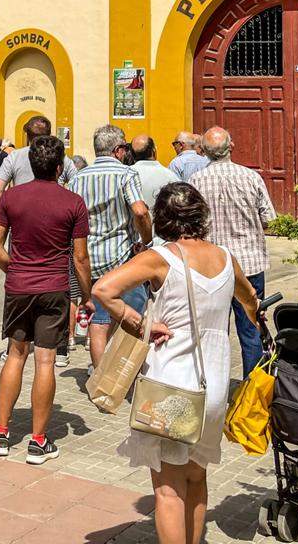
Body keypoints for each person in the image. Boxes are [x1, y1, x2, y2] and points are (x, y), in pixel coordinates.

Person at [94, 183, 260, 544]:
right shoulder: (225, 258)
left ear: (163, 218)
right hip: (212, 387)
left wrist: (141, 322)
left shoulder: (160, 258)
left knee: (169, 490)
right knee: (197, 479)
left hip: (171, 386)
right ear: (201, 215)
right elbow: (251, 303)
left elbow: (102, 290)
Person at [0, 136, 91, 463]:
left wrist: (14, 270)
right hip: (55, 287)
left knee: (15, 355)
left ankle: (1, 433)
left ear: (31, 164)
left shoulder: (11, 197)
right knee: (45, 361)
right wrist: (87, 296)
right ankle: (38, 440)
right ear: (59, 167)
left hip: (19, 286)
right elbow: (80, 258)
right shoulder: (73, 202)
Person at [190, 127, 276, 377]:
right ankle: (252, 388)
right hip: (249, 264)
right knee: (251, 329)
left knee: (213, 331)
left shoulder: (195, 181)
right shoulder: (251, 177)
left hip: (210, 267)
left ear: (204, 152)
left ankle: (212, 384)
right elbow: (269, 218)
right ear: (232, 146)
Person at [71, 125, 153, 368]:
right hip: (121, 257)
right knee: (132, 314)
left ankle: (99, 376)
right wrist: (146, 239)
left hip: (89, 257)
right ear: (118, 150)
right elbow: (139, 210)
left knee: (99, 319)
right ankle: (125, 371)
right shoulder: (126, 174)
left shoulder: (77, 178)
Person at [0, 115, 77, 201]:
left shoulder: (15, 156)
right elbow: (77, 185)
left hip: (21, 210)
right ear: (49, 135)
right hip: (54, 209)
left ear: (27, 136)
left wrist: (7, 211)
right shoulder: (61, 157)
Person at [131, 135, 180, 220]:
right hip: (162, 230)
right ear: (154, 150)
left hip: (134, 230)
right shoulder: (170, 176)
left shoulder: (125, 175)